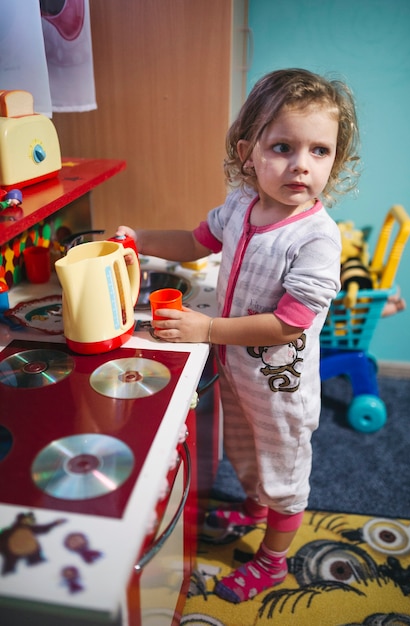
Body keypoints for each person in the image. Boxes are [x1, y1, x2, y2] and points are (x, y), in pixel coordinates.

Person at [117, 68, 361, 603]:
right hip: (237, 372)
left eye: (320, 151)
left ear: (334, 160)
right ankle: (252, 510)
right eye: (283, 147)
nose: (302, 164)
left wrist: (208, 329)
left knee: (284, 474)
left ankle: (273, 562)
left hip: (282, 391)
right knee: (246, 455)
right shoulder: (241, 206)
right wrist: (140, 238)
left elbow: (291, 322)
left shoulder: (317, 238)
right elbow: (193, 240)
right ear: (248, 152)